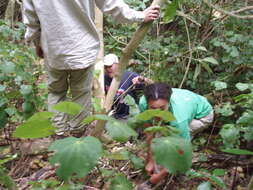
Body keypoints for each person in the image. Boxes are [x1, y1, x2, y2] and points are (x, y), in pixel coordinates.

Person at [23, 0, 160, 134]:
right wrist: (139, 15)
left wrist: (37, 42)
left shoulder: (127, 76)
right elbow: (110, 4)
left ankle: (59, 133)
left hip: (54, 49)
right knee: (81, 92)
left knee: (56, 92)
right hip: (82, 48)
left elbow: (31, 18)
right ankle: (77, 133)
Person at [137, 82, 214, 189]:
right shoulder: (143, 103)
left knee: (167, 141)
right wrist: (150, 159)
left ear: (169, 102)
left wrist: (159, 176)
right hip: (187, 103)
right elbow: (149, 131)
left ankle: (157, 180)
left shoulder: (179, 119)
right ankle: (155, 169)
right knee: (159, 136)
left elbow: (182, 151)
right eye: (153, 108)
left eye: (161, 108)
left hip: (202, 115)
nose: (157, 113)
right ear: (147, 103)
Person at [104, 54, 152, 119]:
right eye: (105, 67)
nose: (108, 69)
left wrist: (143, 79)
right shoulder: (104, 78)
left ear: (117, 64)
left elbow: (152, 84)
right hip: (111, 116)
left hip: (128, 116)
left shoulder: (128, 75)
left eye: (110, 66)